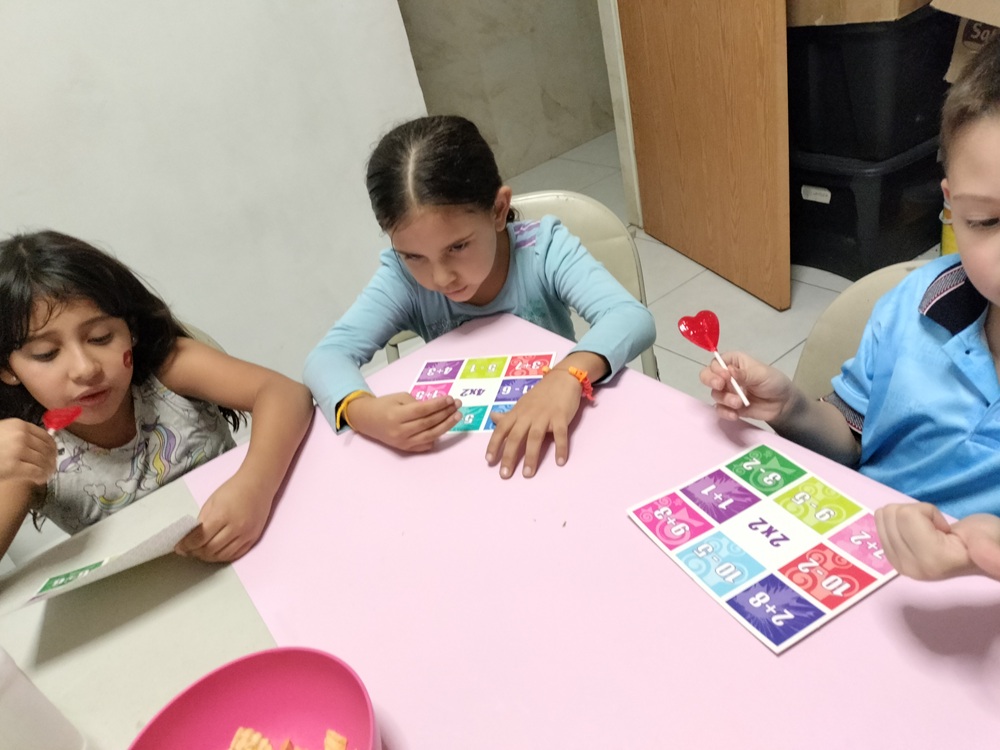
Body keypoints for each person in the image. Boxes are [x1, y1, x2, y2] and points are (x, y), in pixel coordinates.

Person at [700, 35, 1000, 580]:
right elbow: (852, 440)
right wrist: (789, 407)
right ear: (951, 208)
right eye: (987, 222)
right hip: (852, 564)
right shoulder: (914, 305)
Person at [304, 115, 655, 479]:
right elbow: (327, 356)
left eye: (458, 246)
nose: (440, 277)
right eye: (414, 256)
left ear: (499, 210)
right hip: (468, 460)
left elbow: (630, 316)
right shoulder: (401, 278)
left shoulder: (543, 249)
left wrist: (567, 374)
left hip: (559, 440)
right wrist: (363, 412)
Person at [0, 231, 314, 562]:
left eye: (101, 337)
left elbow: (285, 394)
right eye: (47, 354)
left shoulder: (166, 370)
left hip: (264, 546)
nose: (84, 369)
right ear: (7, 368)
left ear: (130, 329)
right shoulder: (30, 452)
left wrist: (255, 488)